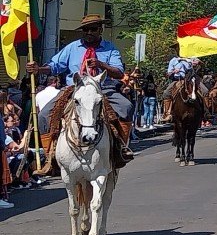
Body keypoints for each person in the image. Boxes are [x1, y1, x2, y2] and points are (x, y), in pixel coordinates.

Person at [26, 14, 135, 169]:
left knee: (126, 107)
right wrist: (38, 69)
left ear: (100, 30)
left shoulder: (110, 48)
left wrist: (101, 64)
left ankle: (121, 147)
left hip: (103, 89)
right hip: (74, 89)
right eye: (85, 29)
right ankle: (50, 156)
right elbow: (55, 66)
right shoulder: (72, 47)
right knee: (44, 115)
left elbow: (119, 73)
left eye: (93, 29)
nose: (89, 32)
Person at [162, 43, 192, 122]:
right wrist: (173, 71)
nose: (178, 50)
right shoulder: (173, 60)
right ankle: (167, 113)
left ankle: (205, 112)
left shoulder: (188, 59)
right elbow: (168, 73)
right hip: (176, 80)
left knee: (204, 91)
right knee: (166, 93)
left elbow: (190, 68)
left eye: (179, 48)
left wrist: (185, 60)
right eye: (176, 49)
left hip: (188, 80)